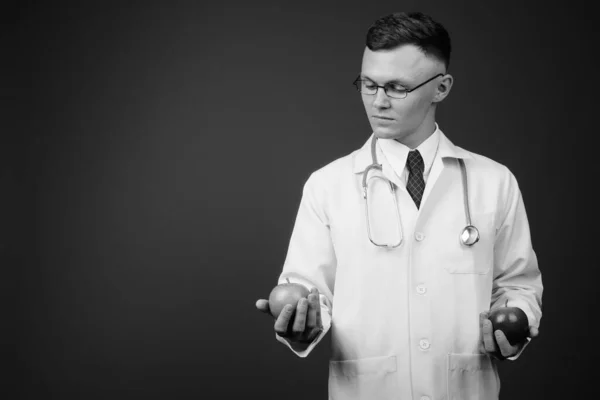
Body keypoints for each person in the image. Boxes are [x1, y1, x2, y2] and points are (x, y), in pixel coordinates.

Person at [255, 11, 543, 400]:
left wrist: (515, 322)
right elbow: (307, 290)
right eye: (368, 84)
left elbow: (517, 285)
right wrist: (302, 323)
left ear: (441, 88)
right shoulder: (328, 185)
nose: (378, 101)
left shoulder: (494, 182)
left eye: (396, 88)